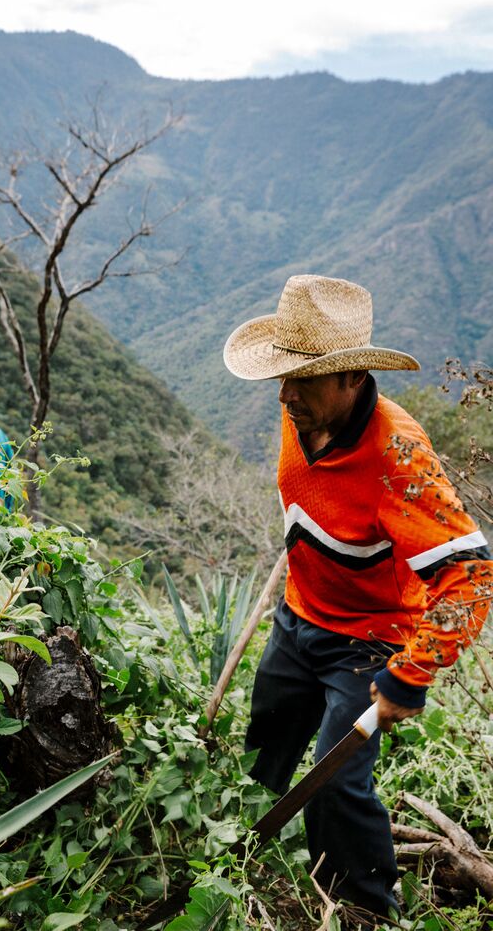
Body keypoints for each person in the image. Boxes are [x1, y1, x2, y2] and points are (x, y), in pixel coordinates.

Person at [223, 274, 492, 919]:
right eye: (282, 376)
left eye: (304, 378)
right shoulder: (300, 410)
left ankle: (367, 908)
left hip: (368, 643)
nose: (284, 393)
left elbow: (472, 574)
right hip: (298, 619)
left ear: (350, 379)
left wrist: (411, 673)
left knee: (337, 784)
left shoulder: (398, 457)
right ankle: (233, 865)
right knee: (263, 750)